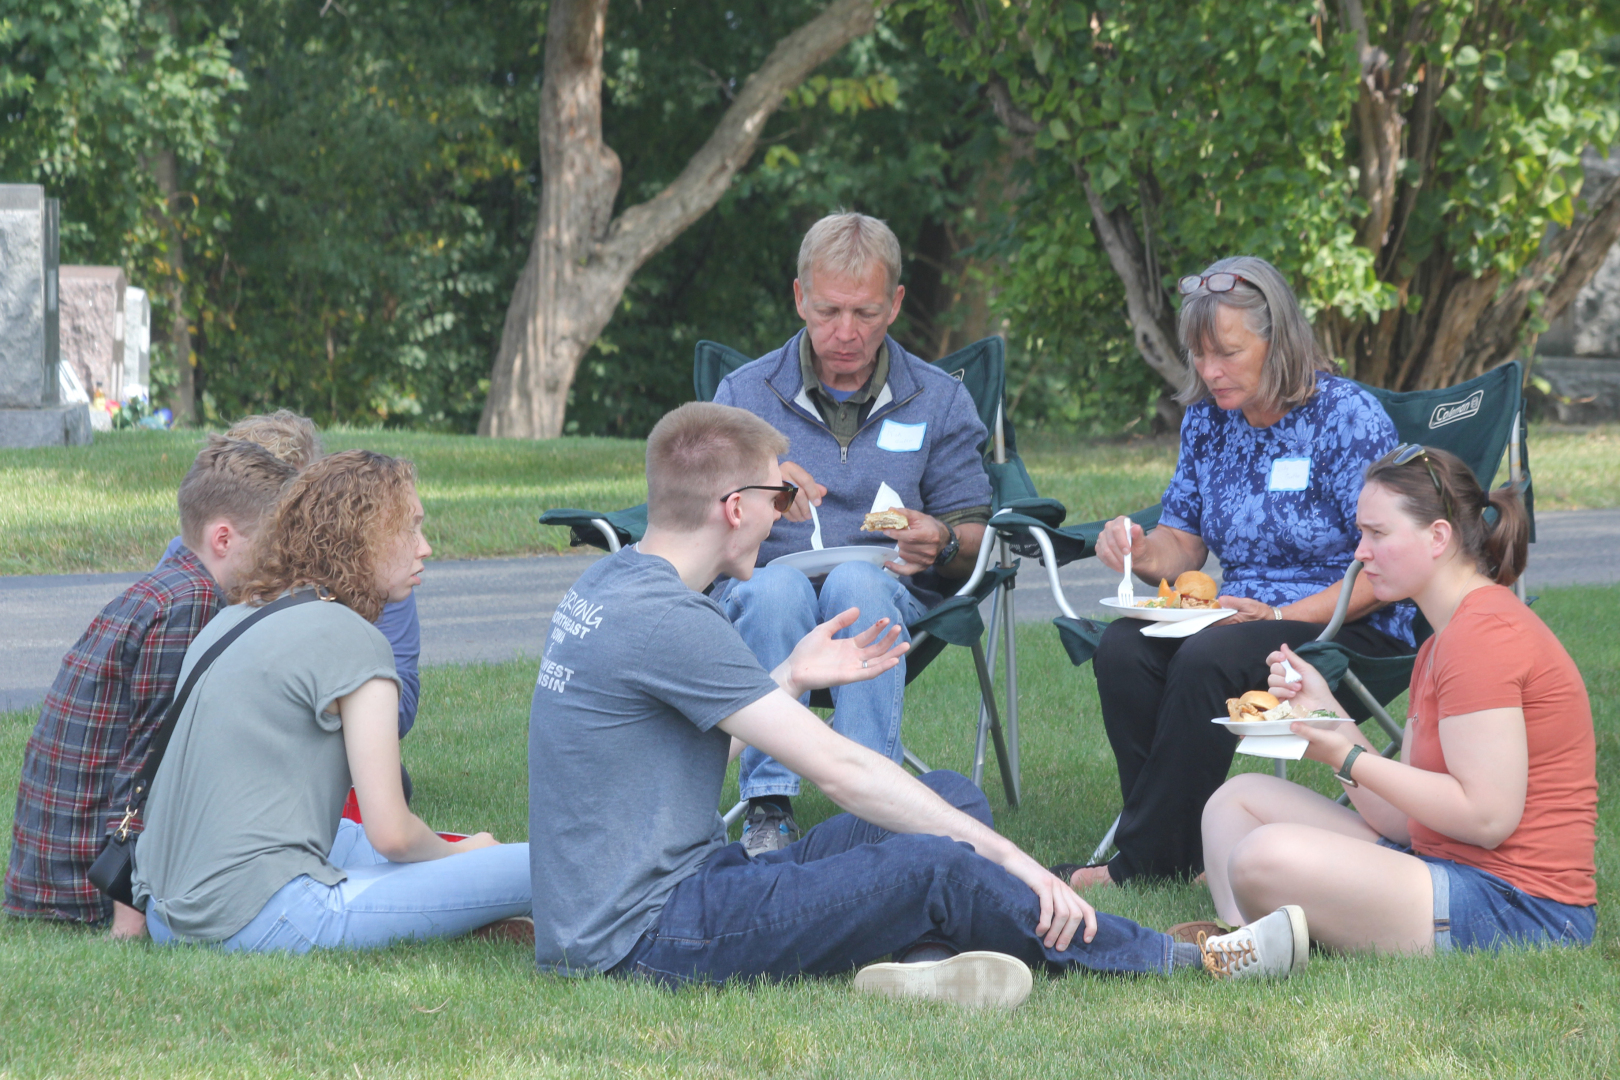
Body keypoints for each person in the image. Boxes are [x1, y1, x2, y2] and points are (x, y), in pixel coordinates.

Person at [527, 401, 1311, 1007]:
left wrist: (790, 678)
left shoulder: (615, 583)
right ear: (735, 506)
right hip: (652, 934)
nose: (786, 513)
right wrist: (1017, 861)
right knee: (940, 861)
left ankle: (924, 966)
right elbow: (840, 770)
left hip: (676, 890)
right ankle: (1181, 959)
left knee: (947, 798)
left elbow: (662, 750)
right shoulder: (668, 619)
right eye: (780, 493)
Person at [1080, 255, 1418, 888]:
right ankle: (1177, 848)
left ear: (1279, 341)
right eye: (1198, 354)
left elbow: (1386, 565)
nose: (1210, 371)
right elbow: (1183, 542)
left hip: (1347, 619)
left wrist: (1283, 613)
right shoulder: (1209, 419)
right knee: (1124, 648)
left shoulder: (1346, 417)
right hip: (1238, 617)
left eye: (1228, 354)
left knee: (1209, 656)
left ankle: (1143, 865)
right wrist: (1140, 551)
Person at [1201, 445, 1596, 954]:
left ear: (1438, 537)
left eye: (1377, 534)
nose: (1360, 553)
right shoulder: (1440, 641)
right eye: (1361, 533)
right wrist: (1325, 711)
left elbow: (1487, 819)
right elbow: (1402, 822)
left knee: (1263, 855)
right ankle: (1247, 942)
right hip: (1442, 864)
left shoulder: (1482, 637)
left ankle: (1256, 943)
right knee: (1235, 802)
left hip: (1517, 905)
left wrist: (1345, 756)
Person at [132, 450, 531, 951]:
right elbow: (392, 834)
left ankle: (465, 893)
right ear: (362, 537)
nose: (425, 547)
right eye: (410, 528)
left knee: (346, 834)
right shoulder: (354, 639)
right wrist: (467, 859)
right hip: (257, 919)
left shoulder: (235, 616)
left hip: (168, 917)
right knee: (540, 866)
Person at [710, 211, 993, 854]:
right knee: (775, 590)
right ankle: (768, 807)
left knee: (856, 582)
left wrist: (944, 540)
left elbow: (974, 536)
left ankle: (870, 810)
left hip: (884, 588)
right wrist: (757, 485)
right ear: (799, 298)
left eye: (865, 313)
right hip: (765, 586)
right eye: (828, 311)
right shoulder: (745, 394)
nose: (845, 333)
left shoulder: (938, 399)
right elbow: (697, 516)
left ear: (895, 304)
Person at [5, 438, 297, 938]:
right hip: (88, 886)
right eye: (274, 545)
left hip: (56, 874)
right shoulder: (192, 604)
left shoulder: (166, 588)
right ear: (223, 539)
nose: (283, 561)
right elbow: (150, 761)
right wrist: (131, 913)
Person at [152, 410, 423, 751]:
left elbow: (399, 703)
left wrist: (318, 700)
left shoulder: (375, 572)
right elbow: (164, 689)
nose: (292, 527)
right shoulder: (195, 563)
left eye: (304, 506)